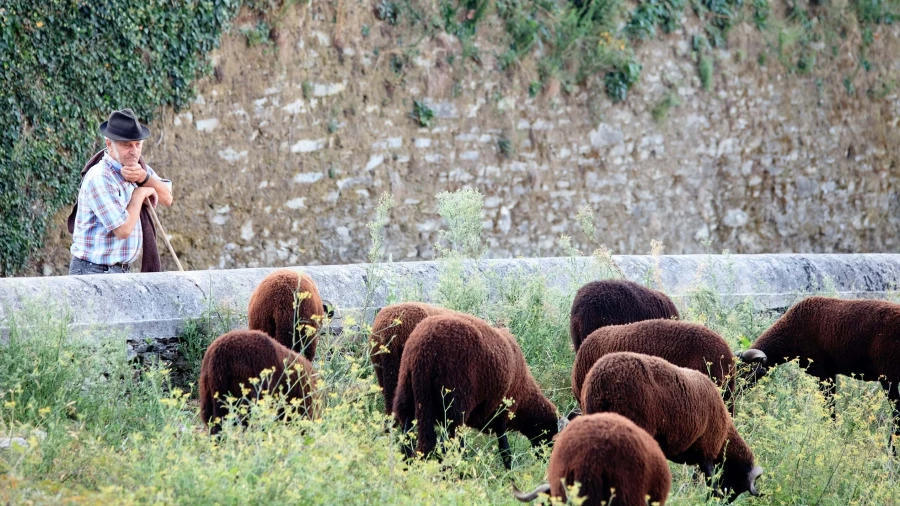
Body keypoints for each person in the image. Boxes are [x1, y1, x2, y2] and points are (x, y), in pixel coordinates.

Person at [68, 108, 174, 275]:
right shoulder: (100, 177)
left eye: (137, 144)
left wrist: (144, 178)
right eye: (126, 145)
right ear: (109, 144)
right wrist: (139, 195)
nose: (134, 151)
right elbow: (123, 230)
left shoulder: (138, 168)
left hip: (120, 271)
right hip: (92, 271)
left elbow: (167, 198)